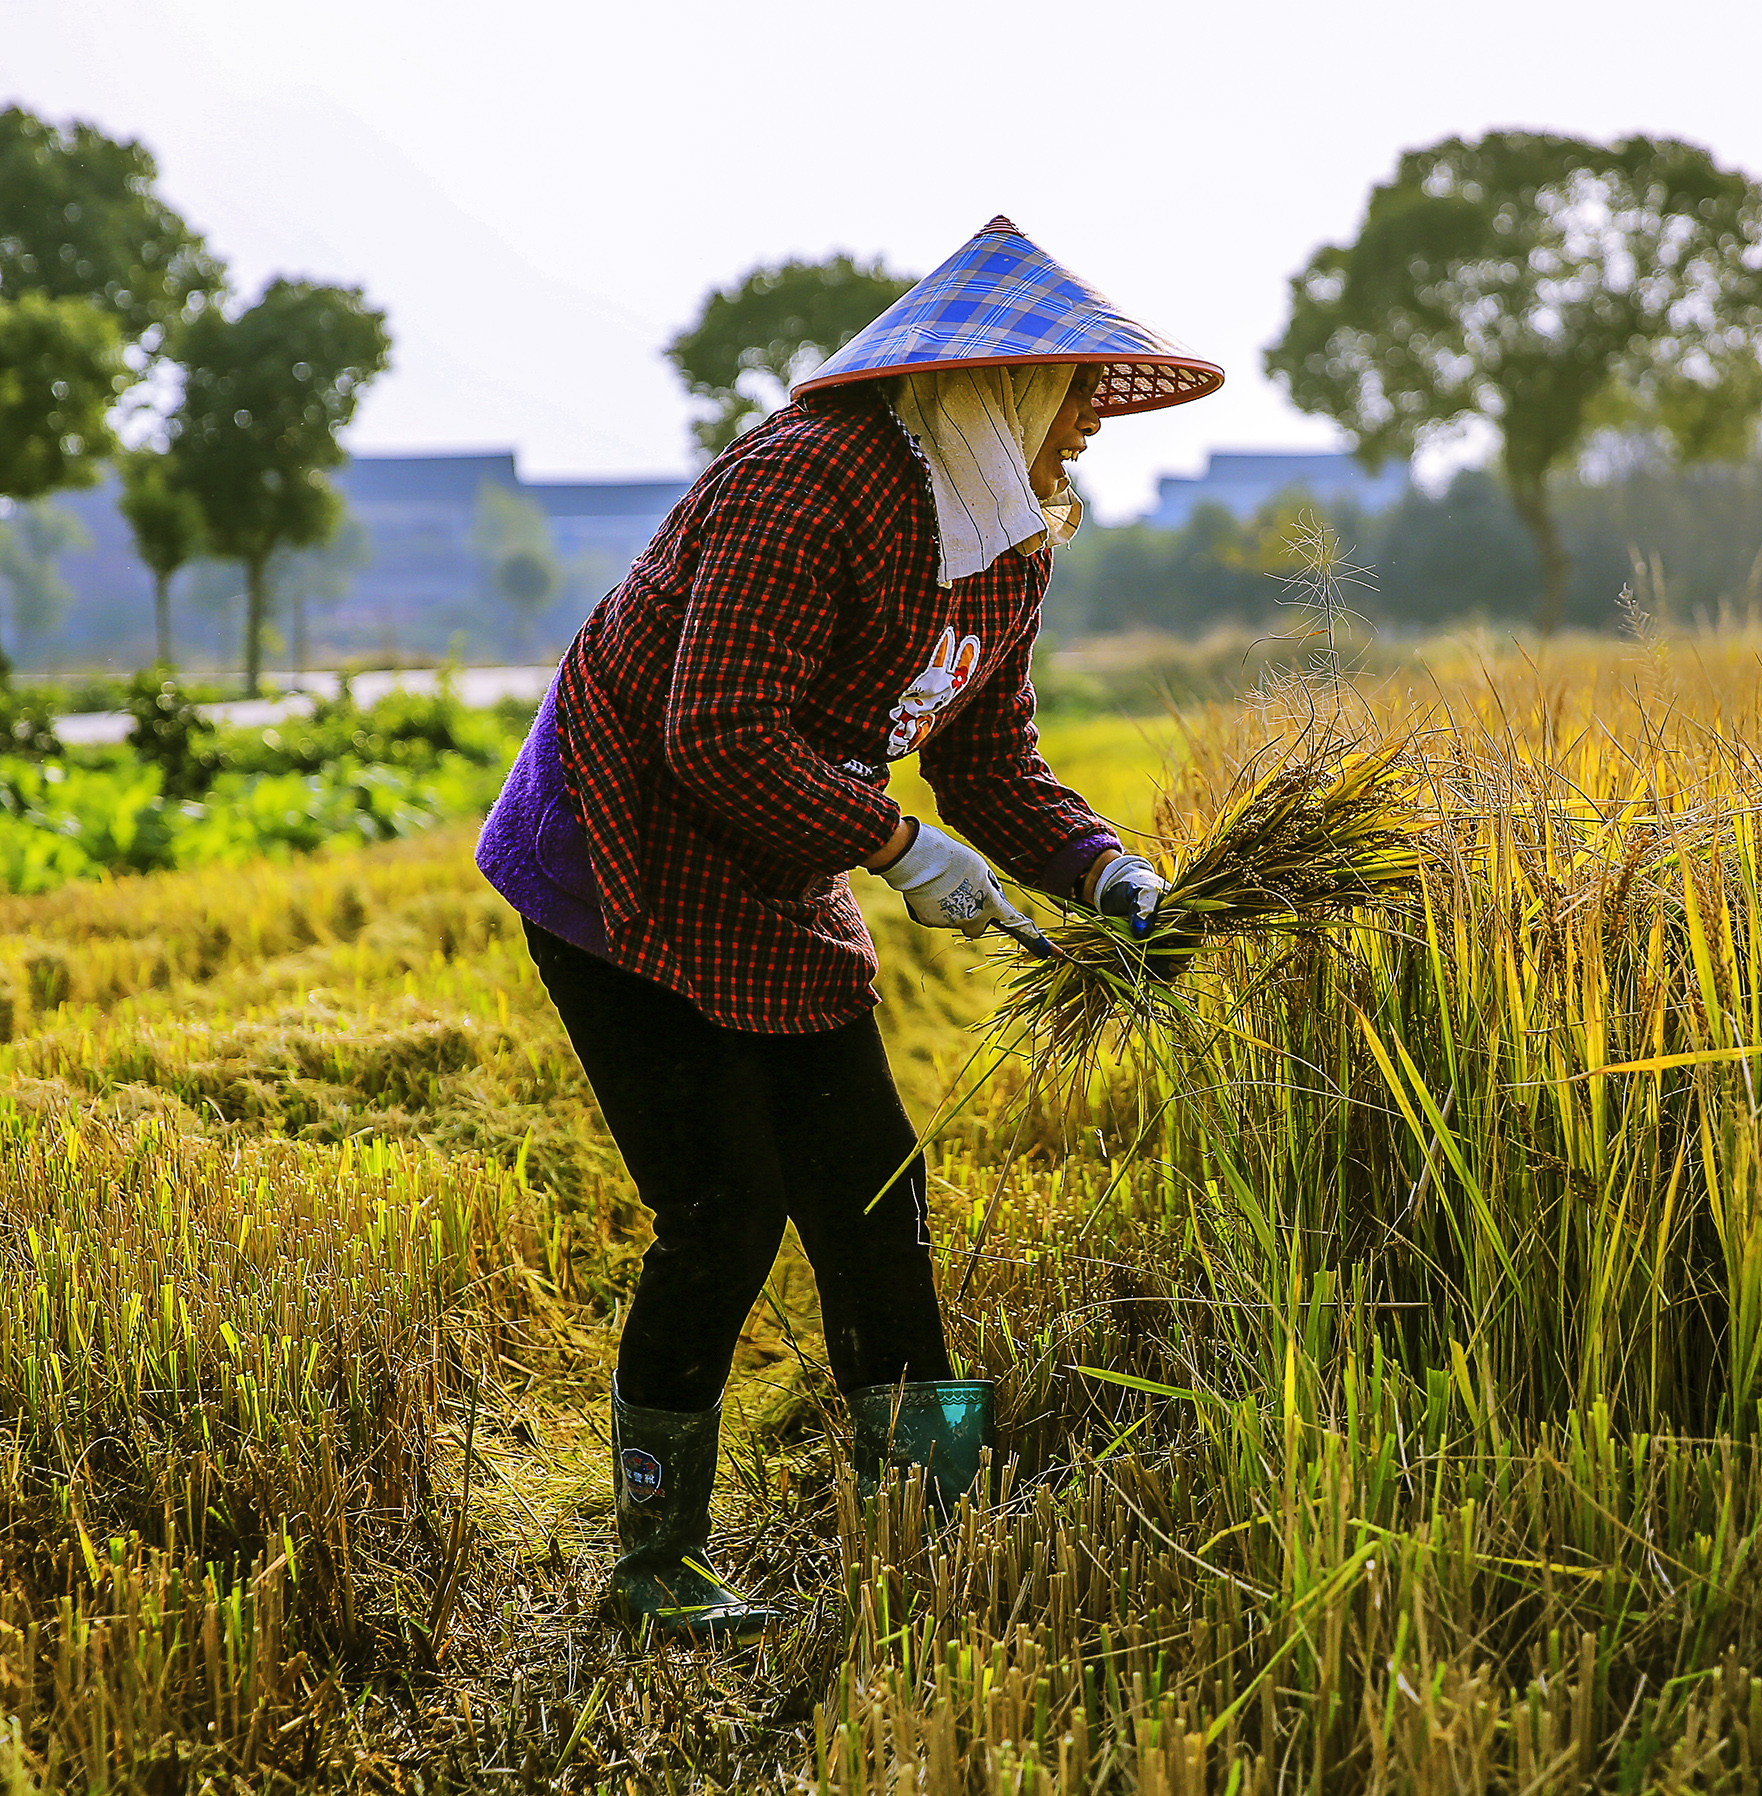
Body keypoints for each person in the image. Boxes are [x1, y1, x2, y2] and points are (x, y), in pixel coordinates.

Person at [475, 216, 1222, 1638]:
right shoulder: (806, 488)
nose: (1089, 431)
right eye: (1075, 398)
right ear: (993, 390)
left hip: (774, 860)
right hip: (619, 856)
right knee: (727, 1205)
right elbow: (714, 733)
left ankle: (930, 1515)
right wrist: (894, 846)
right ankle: (654, 1565)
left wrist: (1108, 870)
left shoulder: (1007, 545)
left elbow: (989, 758)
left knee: (877, 1196)